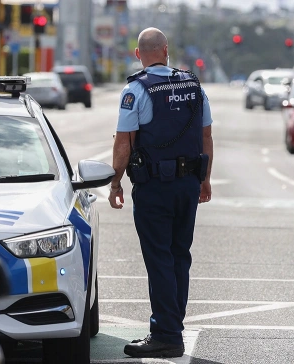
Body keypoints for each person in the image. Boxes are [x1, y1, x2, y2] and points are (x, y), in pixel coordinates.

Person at [108, 27, 213, 358]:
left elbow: (123, 143)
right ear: (166, 51)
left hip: (154, 187)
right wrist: (205, 179)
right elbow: (206, 137)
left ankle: (166, 334)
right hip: (188, 184)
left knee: (159, 259)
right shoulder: (194, 86)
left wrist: (115, 183)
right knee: (179, 256)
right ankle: (172, 326)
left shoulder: (136, 90)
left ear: (139, 54)